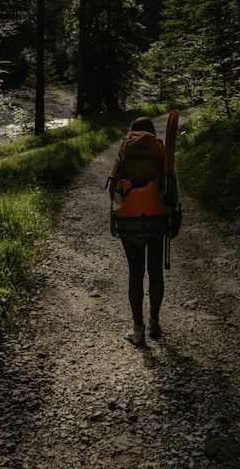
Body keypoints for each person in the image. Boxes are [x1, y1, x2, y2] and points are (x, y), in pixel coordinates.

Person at [108, 116, 168, 346]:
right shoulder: (159, 149)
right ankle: (155, 322)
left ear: (131, 131)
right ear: (152, 131)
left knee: (136, 274)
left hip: (130, 222)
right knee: (155, 271)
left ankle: (138, 330)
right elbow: (169, 186)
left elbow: (114, 189)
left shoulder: (125, 148)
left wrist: (116, 215)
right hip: (157, 220)